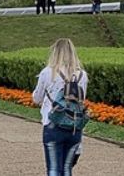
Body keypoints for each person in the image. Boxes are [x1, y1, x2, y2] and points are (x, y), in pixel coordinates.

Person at [31, 38, 88, 176]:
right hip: (74, 126)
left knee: (54, 169)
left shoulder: (48, 72)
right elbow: (82, 99)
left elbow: (36, 98)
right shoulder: (82, 75)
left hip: (53, 123)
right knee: (67, 168)